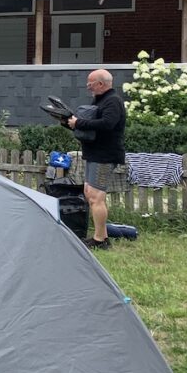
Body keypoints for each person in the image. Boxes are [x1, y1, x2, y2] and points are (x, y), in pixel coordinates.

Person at [67, 69, 127, 250]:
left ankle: (100, 241)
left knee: (96, 197)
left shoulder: (113, 101)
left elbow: (107, 124)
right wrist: (69, 123)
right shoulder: (101, 100)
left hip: (104, 156)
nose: (87, 86)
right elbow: (93, 126)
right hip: (95, 154)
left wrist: (79, 123)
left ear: (101, 84)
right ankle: (101, 236)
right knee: (90, 193)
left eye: (90, 83)